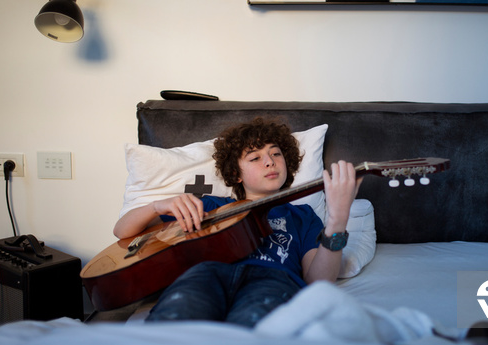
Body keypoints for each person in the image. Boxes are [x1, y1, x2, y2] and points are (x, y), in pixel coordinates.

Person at [112, 117, 361, 327]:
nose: (269, 161)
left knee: (255, 336)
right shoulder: (209, 206)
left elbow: (318, 282)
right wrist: (156, 206)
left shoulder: (302, 215)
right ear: (235, 174)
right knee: (174, 325)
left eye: (276, 153)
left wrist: (337, 220)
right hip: (205, 276)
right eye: (255, 158)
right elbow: (122, 231)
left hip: (272, 280)